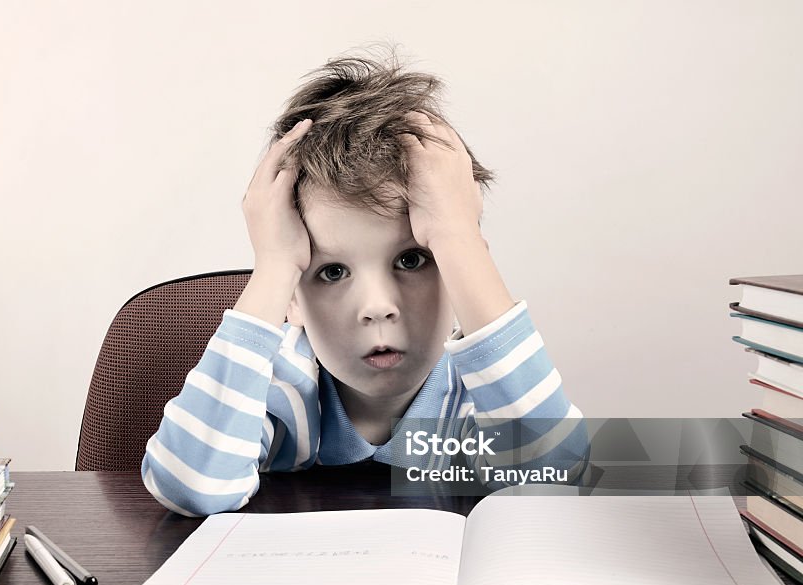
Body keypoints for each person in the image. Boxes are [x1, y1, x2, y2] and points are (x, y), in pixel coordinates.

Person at [141, 50, 588, 516]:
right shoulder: (280, 385)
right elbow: (189, 486)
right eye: (332, 272)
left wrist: (458, 236)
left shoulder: (483, 394)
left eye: (412, 259)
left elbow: (555, 477)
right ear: (292, 294)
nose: (377, 307)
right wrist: (273, 264)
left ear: (459, 269)